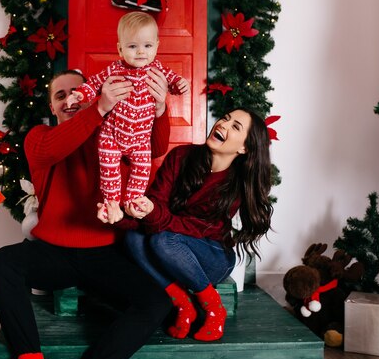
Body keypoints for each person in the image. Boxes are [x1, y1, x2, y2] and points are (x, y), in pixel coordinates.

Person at [0, 68, 173, 359]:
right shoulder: (39, 138)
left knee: (157, 302)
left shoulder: (112, 139)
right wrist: (98, 109)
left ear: (91, 91)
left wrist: (158, 109)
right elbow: (54, 150)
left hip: (104, 254)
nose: (70, 99)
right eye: (60, 95)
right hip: (52, 253)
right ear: (51, 106)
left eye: (77, 91)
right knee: (3, 261)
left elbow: (155, 148)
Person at [114, 108, 274, 342]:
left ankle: (214, 308)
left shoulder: (237, 184)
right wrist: (122, 214)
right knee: (132, 239)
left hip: (212, 257)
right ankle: (183, 304)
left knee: (162, 239)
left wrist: (154, 215)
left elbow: (195, 228)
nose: (223, 124)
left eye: (235, 127)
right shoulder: (181, 156)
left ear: (244, 148)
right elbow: (157, 203)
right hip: (169, 248)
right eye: (225, 118)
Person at [66, 12, 189, 223]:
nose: (141, 51)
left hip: (141, 140)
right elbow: (94, 83)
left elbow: (173, 81)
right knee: (109, 170)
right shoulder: (116, 69)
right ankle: (111, 204)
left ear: (157, 46)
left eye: (148, 46)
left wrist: (180, 84)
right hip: (112, 136)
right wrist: (79, 94)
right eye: (132, 46)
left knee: (142, 169)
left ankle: (133, 201)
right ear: (120, 49)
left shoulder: (158, 70)